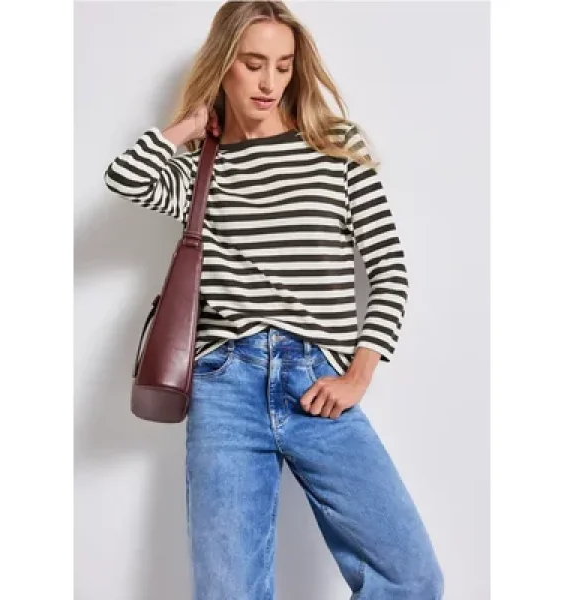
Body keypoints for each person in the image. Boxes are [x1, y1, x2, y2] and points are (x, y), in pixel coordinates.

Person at [104, 1, 444, 598]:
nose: (269, 82)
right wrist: (190, 124)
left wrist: (359, 374)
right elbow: (124, 176)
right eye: (252, 63)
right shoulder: (200, 171)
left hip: (317, 384)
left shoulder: (334, 147)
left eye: (283, 66)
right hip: (224, 387)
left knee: (411, 576)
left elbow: (389, 269)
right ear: (222, 64)